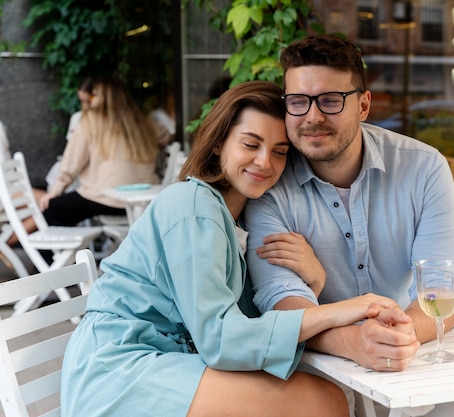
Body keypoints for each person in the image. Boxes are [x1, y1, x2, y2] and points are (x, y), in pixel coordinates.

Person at [60, 80, 404, 417]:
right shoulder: (193, 206)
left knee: (324, 395)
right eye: (250, 145)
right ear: (218, 144)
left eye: (280, 152)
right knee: (320, 402)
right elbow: (220, 338)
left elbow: (250, 325)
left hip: (173, 360)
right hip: (119, 367)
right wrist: (343, 309)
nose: (265, 162)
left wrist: (314, 281)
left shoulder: (241, 221)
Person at [244, 34, 454, 415]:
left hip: (407, 361)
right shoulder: (270, 182)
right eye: (298, 102)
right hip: (315, 371)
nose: (312, 117)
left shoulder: (423, 168)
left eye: (331, 100)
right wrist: (352, 342)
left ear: (363, 105)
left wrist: (400, 335)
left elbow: (445, 288)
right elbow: (280, 301)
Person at [39, 77, 169, 226]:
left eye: (92, 96)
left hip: (105, 199)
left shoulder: (90, 122)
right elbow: (166, 136)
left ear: (100, 98)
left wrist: (55, 192)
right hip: (143, 202)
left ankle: (72, 249)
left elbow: (71, 163)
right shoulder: (143, 123)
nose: (88, 102)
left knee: (52, 210)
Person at [46, 77, 94, 192]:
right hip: (74, 168)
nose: (85, 106)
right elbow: (71, 151)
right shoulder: (77, 118)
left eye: (88, 101)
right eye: (81, 101)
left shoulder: (105, 123)